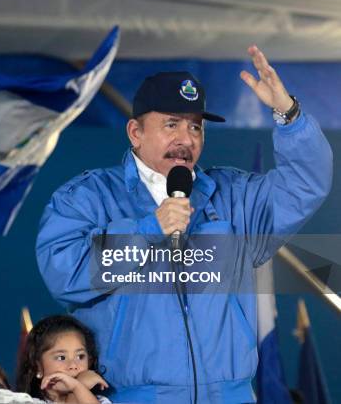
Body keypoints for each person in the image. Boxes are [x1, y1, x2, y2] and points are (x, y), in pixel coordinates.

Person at [36, 46, 333, 403]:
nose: (186, 139)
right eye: (171, 124)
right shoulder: (87, 197)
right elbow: (64, 273)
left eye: (195, 126)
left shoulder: (234, 197)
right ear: (135, 132)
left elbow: (307, 182)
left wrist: (289, 114)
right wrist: (147, 230)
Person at [17, 315, 110, 404]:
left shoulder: (99, 401)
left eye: (80, 357)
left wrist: (77, 388)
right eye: (61, 358)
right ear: (38, 367)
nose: (73, 365)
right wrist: (78, 387)